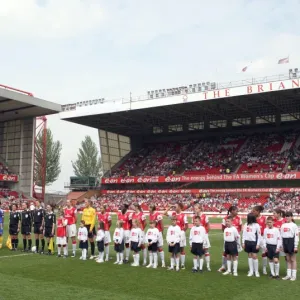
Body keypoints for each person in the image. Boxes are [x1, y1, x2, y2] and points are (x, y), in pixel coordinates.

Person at [164, 202, 188, 269]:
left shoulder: (183, 215)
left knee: (182, 249)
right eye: (174, 206)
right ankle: (174, 264)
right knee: (174, 250)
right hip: (173, 236)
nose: (175, 207)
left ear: (180, 207)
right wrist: (170, 207)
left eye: (176, 206)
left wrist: (182, 233)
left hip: (181, 234)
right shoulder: (173, 214)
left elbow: (186, 226)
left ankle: (182, 264)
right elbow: (164, 213)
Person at [219, 206, 242, 272]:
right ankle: (223, 266)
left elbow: (240, 227)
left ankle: (234, 269)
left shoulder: (239, 218)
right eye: (236, 210)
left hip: (235, 239)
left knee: (235, 253)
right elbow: (223, 228)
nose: (237, 212)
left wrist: (236, 236)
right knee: (225, 252)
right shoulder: (225, 218)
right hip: (228, 239)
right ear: (232, 211)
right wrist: (228, 235)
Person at [280, 211, 299, 281]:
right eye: (286, 216)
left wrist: (295, 246)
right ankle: (288, 275)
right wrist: (281, 245)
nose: (287, 217)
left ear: (291, 217)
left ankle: (293, 276)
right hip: (285, 242)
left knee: (293, 259)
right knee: (288, 259)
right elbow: (281, 236)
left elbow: (296, 236)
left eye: (288, 216)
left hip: (291, 242)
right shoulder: (283, 225)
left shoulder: (294, 225)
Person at [242, 213, 261, 277]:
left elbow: (259, 235)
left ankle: (256, 271)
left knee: (254, 256)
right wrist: (243, 242)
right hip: (247, 242)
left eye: (248, 218)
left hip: (254, 242)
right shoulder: (245, 225)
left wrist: (258, 244)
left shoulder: (256, 225)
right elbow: (244, 234)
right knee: (249, 256)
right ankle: (251, 271)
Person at [193, 204, 211, 271]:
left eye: (196, 208)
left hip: (204, 236)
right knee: (197, 251)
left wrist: (205, 234)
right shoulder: (194, 217)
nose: (195, 210)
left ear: (200, 209)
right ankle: (197, 265)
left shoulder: (204, 216)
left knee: (206, 250)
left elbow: (208, 226)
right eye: (194, 208)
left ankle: (208, 266)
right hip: (197, 237)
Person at [252, 205, 267, 275]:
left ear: (258, 211)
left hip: (262, 238)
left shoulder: (264, 218)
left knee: (264, 254)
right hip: (254, 238)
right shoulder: (252, 218)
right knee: (254, 253)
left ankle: (264, 268)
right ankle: (254, 269)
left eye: (254, 211)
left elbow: (266, 228)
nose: (253, 212)